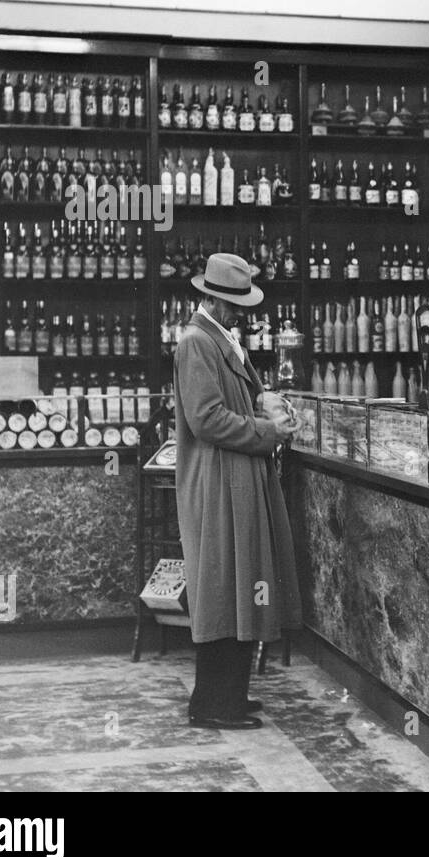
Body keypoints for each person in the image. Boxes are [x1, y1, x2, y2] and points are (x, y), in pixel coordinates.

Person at [174, 253, 302, 730]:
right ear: (210, 297)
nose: (241, 312)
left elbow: (225, 405)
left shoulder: (219, 338)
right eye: (233, 303)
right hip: (218, 480)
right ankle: (212, 704)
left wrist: (260, 402)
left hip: (237, 477)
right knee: (224, 591)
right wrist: (267, 430)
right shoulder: (195, 342)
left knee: (241, 589)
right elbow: (205, 419)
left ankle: (228, 695)